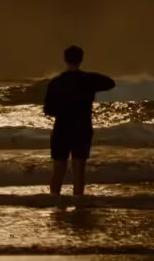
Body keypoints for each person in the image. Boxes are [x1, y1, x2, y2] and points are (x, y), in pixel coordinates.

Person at [42, 45, 116, 205]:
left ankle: (55, 202)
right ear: (81, 60)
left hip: (62, 127)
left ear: (64, 59)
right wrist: (86, 76)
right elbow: (110, 83)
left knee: (59, 168)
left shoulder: (56, 82)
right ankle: (78, 202)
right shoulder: (88, 80)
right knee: (79, 168)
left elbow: (48, 109)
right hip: (82, 128)